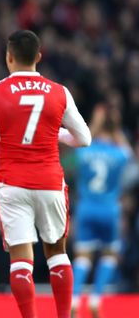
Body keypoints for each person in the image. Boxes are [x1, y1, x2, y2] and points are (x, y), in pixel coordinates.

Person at [0, 30, 91, 318]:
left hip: (12, 183)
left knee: (20, 260)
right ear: (38, 56)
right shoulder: (59, 91)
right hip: (49, 181)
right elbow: (84, 138)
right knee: (57, 253)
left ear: (8, 57)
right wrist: (54, 134)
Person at [70, 104, 133, 318]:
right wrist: (115, 127)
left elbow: (79, 146)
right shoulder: (120, 153)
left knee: (82, 256)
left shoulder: (85, 150)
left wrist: (94, 124)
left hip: (86, 207)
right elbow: (130, 155)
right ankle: (96, 298)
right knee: (111, 253)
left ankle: (75, 299)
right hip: (110, 209)